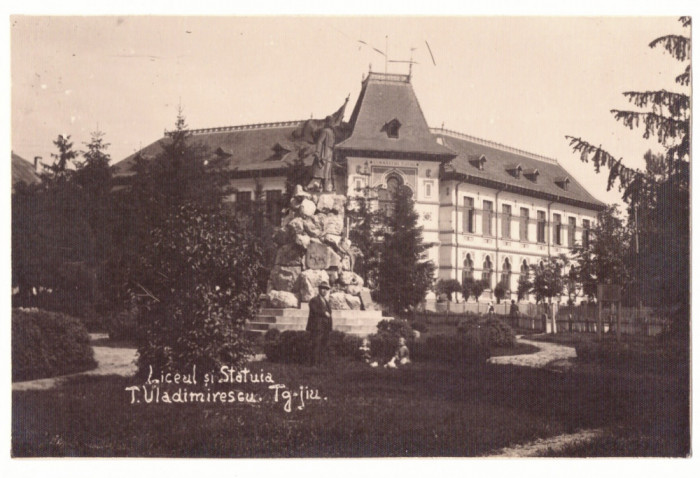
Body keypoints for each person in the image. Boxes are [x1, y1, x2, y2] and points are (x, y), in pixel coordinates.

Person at [306, 281, 333, 366]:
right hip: (317, 327)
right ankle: (313, 364)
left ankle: (321, 363)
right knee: (316, 345)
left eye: (326, 289)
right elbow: (315, 310)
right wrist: (324, 313)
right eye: (322, 289)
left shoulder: (326, 301)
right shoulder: (314, 300)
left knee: (323, 345)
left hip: (325, 327)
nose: (324, 291)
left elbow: (330, 313)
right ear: (319, 290)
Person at [307, 116, 335, 192]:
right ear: (328, 122)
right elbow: (319, 141)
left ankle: (325, 188)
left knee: (326, 171)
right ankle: (305, 185)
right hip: (324, 152)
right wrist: (318, 152)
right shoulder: (325, 131)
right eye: (332, 122)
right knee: (318, 170)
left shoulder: (331, 132)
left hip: (329, 152)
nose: (333, 124)